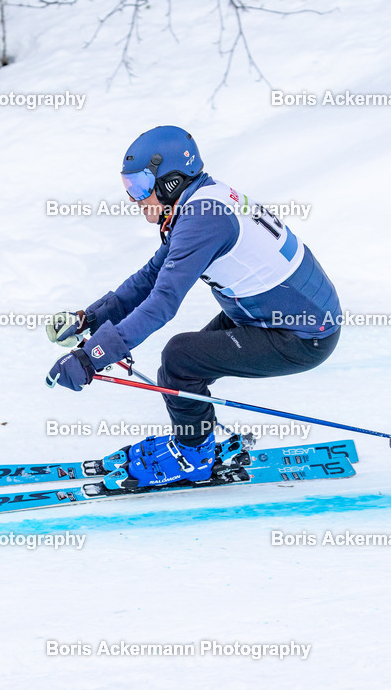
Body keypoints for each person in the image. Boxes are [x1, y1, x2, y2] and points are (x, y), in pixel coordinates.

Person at [46, 125, 342, 489]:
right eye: (128, 187)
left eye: (140, 186)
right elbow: (150, 277)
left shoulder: (202, 218)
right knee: (182, 370)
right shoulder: (201, 202)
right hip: (275, 315)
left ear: (170, 181)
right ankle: (196, 440)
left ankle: (193, 456)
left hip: (301, 335)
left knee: (180, 360)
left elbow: (162, 302)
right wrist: (89, 319)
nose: (134, 199)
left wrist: (91, 357)